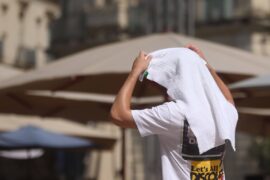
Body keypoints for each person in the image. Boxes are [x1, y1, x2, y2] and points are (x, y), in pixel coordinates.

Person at [110, 45, 236, 180]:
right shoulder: (222, 110)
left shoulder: (175, 113)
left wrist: (135, 72)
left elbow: (118, 115)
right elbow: (229, 100)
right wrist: (206, 66)